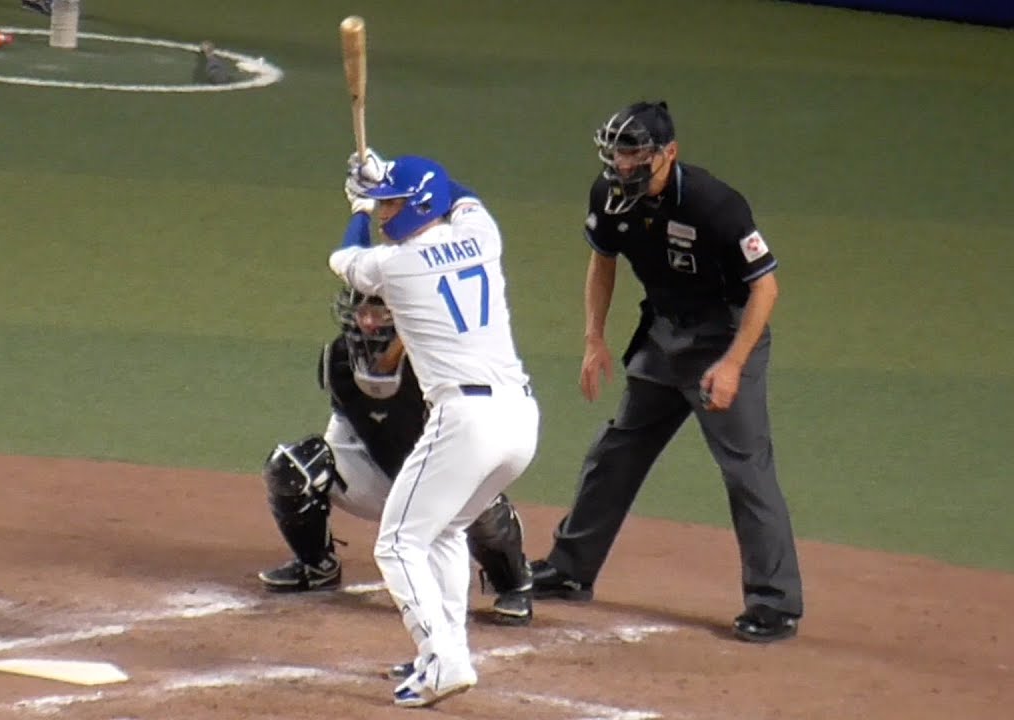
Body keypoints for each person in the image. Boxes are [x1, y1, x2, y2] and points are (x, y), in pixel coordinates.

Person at [529, 100, 803, 643]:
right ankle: (570, 568)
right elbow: (602, 260)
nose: (622, 165)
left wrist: (733, 365)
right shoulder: (608, 195)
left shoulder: (714, 204)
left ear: (668, 153)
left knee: (746, 469)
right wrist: (593, 339)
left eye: (635, 154)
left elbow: (765, 288)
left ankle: (775, 604)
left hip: (723, 339)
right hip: (662, 336)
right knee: (616, 450)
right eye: (616, 154)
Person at [329, 151, 540, 707]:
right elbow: (462, 193)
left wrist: (357, 205)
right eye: (381, 205)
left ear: (420, 205)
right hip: (520, 419)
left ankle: (441, 659)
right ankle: (447, 653)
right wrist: (384, 175)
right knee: (445, 531)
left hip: (465, 419)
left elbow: (344, 258)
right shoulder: (482, 233)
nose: (384, 213)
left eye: (391, 203)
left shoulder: (396, 266)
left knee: (398, 543)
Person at [256, 285, 535, 628]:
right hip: (380, 477)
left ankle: (513, 585)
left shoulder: (435, 365)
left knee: (480, 497)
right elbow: (343, 432)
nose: (368, 323)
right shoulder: (339, 359)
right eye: (362, 313)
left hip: (438, 483)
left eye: (380, 314)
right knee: (292, 467)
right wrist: (322, 477)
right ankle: (316, 566)